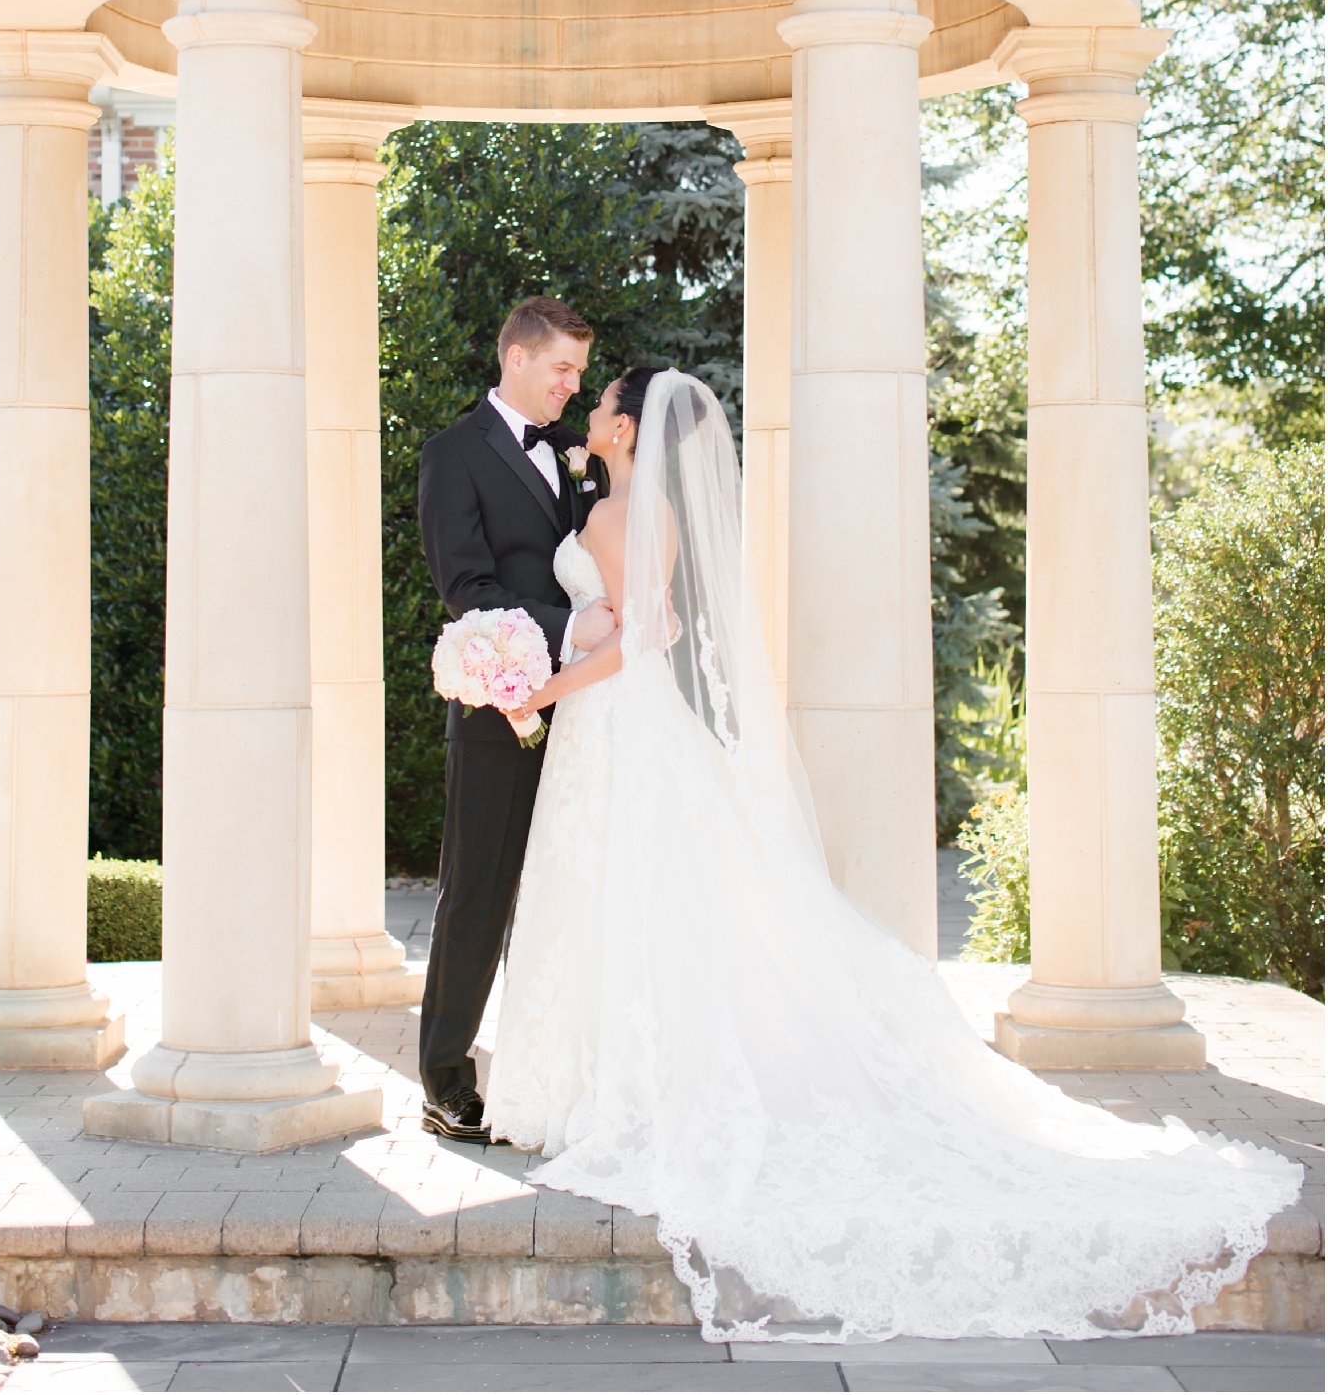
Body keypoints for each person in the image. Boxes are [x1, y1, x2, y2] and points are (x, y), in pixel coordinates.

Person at [484, 365, 1305, 1344]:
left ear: (625, 427)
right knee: (634, 897)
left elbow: (648, 629)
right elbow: (621, 617)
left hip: (616, 723)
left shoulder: (620, 518)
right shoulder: (617, 506)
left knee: (627, 894)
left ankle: (609, 1078)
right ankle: (596, 1069)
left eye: (602, 401)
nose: (589, 412)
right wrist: (565, 650)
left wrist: (544, 690)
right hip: (612, 725)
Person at [414, 295, 615, 1141]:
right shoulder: (452, 455)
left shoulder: (584, 454)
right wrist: (569, 630)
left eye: (579, 370)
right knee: (479, 892)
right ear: (517, 359)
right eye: (562, 367)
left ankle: (556, 1072)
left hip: (596, 711)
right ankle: (445, 1077)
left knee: (576, 891)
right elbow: (469, 588)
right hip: (504, 709)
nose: (574, 385)